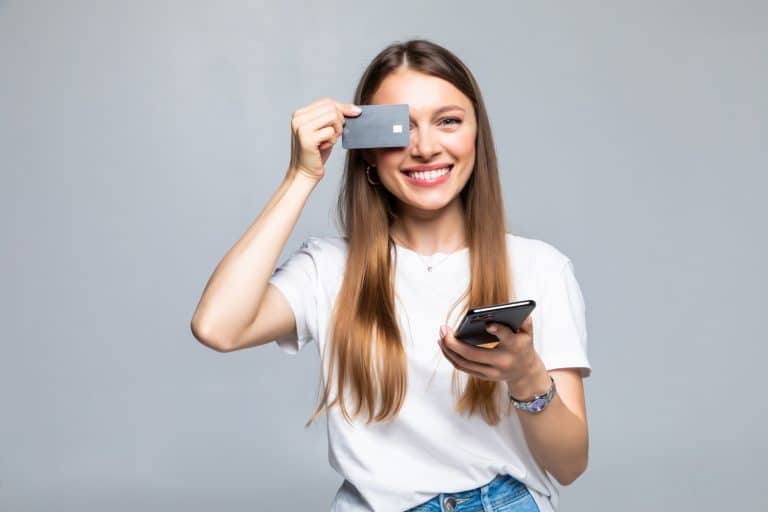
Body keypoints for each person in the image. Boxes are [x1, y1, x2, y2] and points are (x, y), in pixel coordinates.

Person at [191, 39, 591, 512]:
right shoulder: (328, 269)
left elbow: (568, 465)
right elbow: (217, 327)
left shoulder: (539, 267)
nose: (424, 148)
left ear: (476, 138)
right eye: (401, 127)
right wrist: (300, 176)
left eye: (448, 121)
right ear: (366, 151)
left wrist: (527, 378)